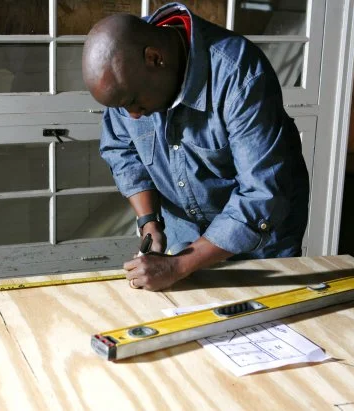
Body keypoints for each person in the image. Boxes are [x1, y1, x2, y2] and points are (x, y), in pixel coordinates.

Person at [81, 3, 309, 291]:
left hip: (261, 241)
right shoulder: (127, 73)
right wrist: (150, 222)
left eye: (134, 104)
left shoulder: (239, 74)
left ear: (154, 58)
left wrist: (178, 266)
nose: (133, 116)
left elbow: (260, 195)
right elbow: (121, 150)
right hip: (184, 233)